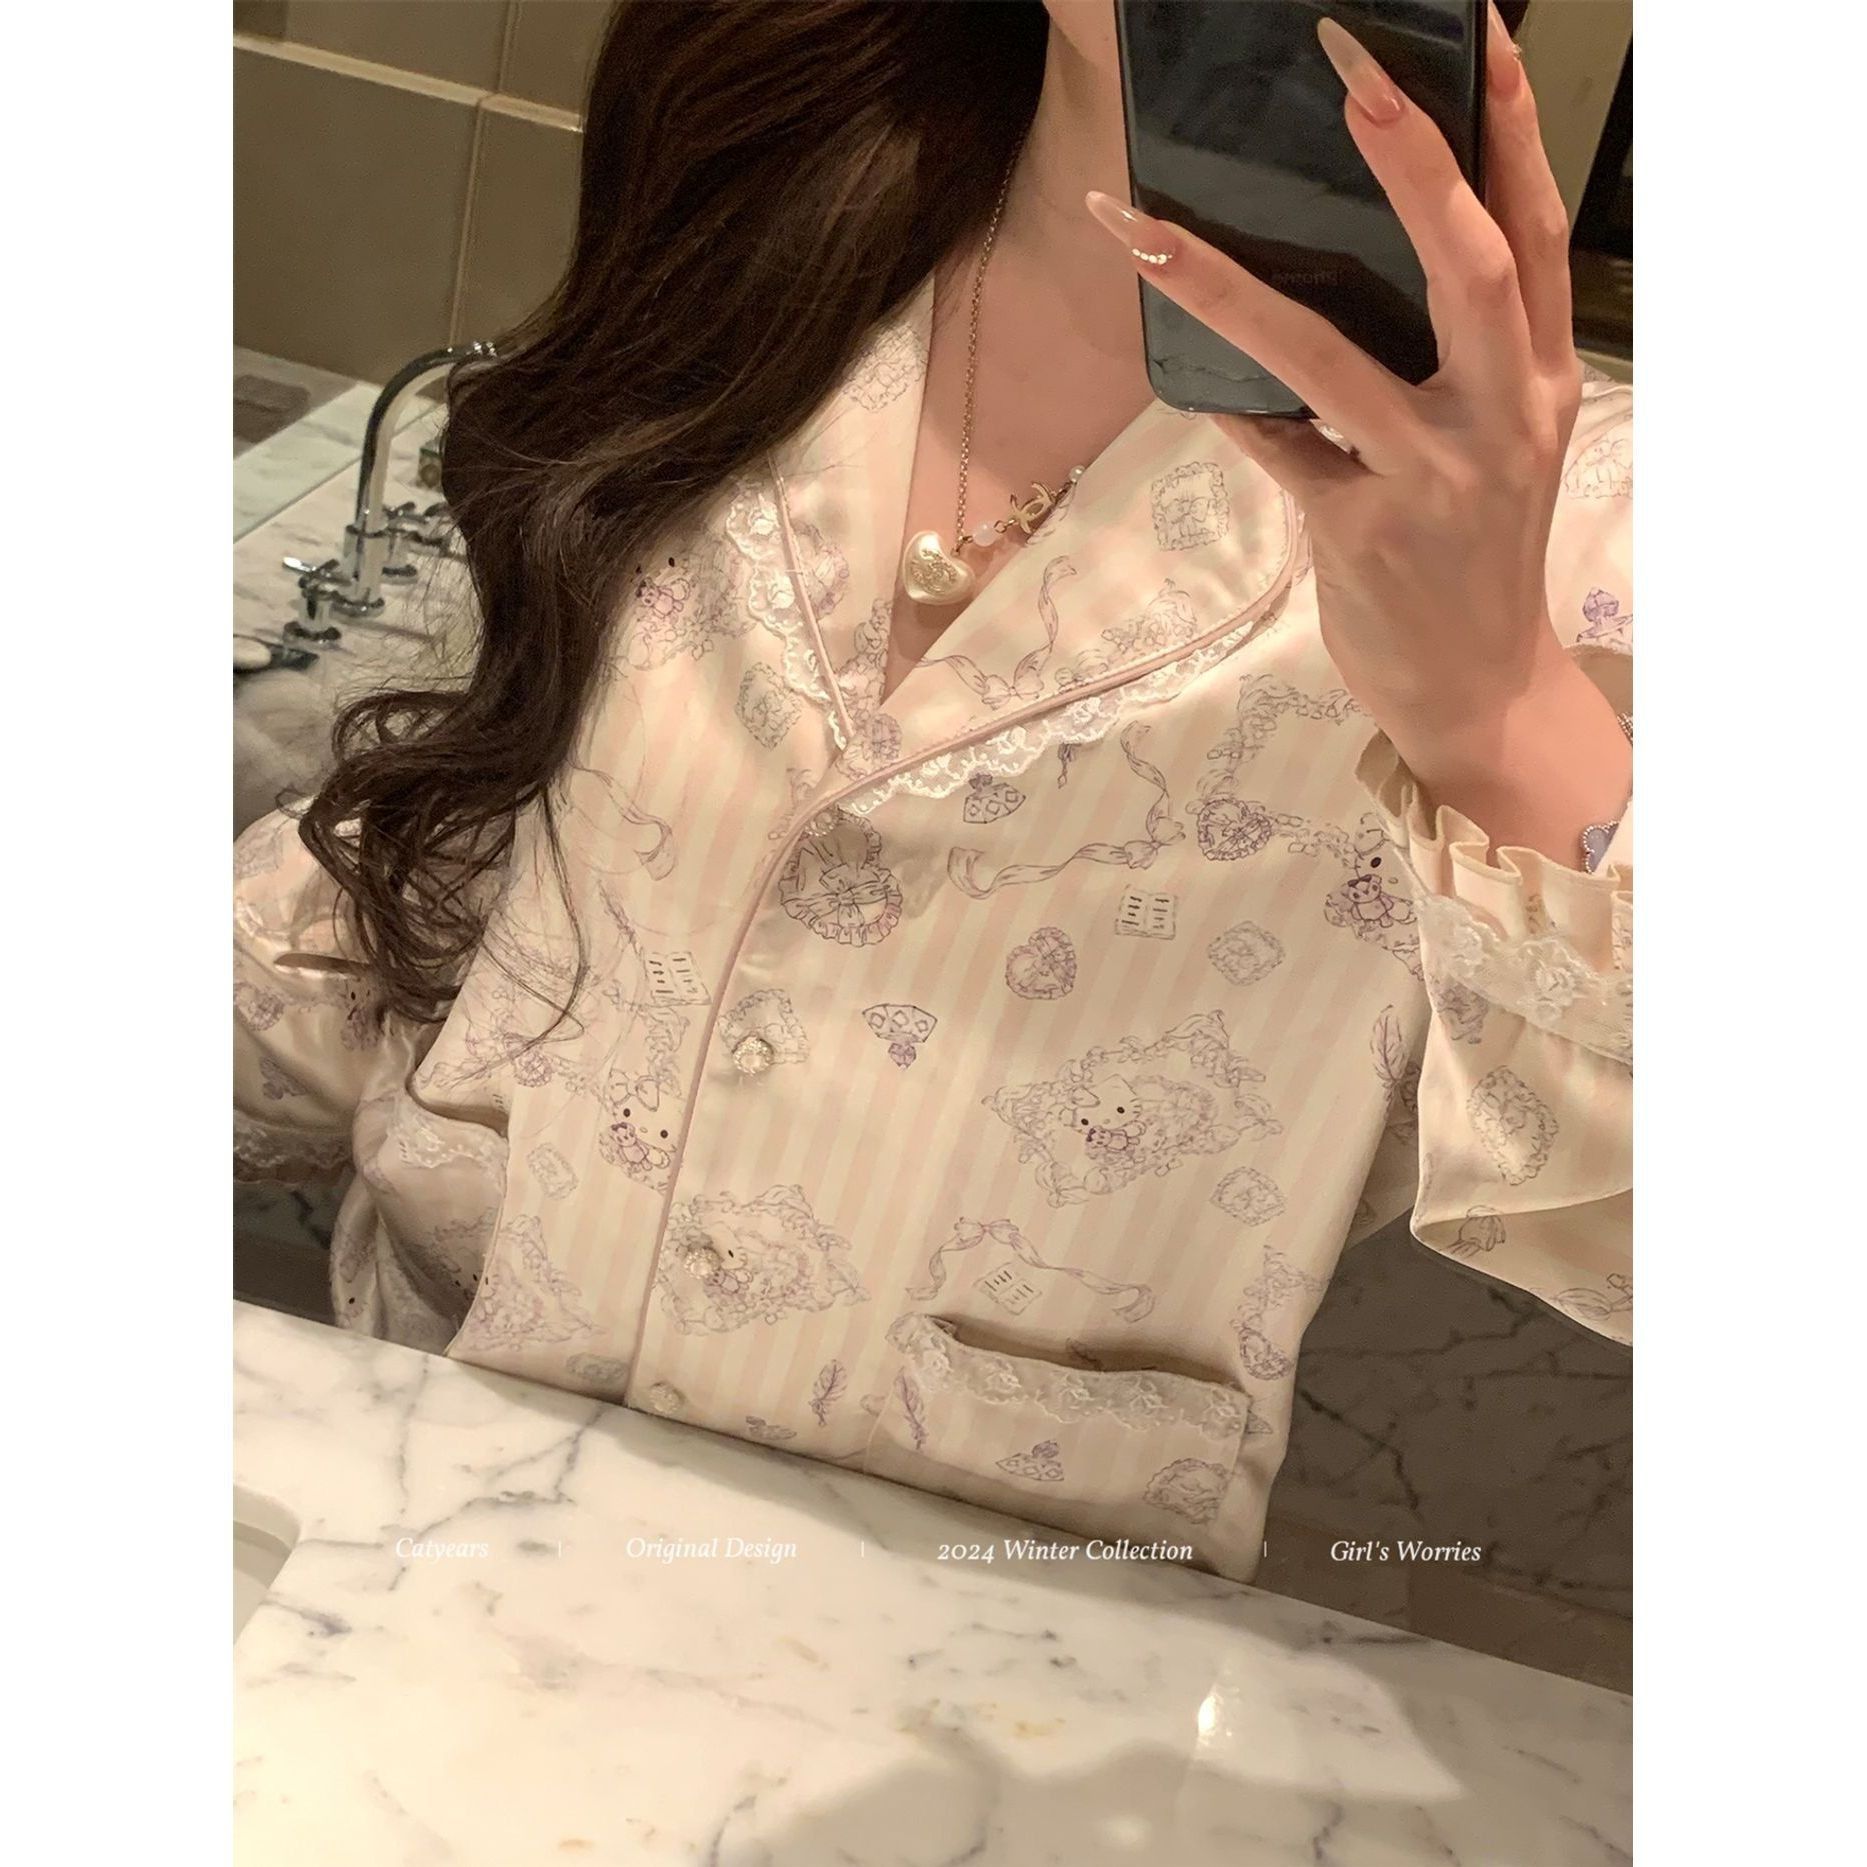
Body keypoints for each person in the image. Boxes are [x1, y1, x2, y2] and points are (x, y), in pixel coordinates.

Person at [234, 0, 1631, 1583]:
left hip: (977, 1645)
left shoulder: (1593, 531)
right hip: (422, 1520)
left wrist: (1502, 711)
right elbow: (497, 835)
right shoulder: (774, 235)